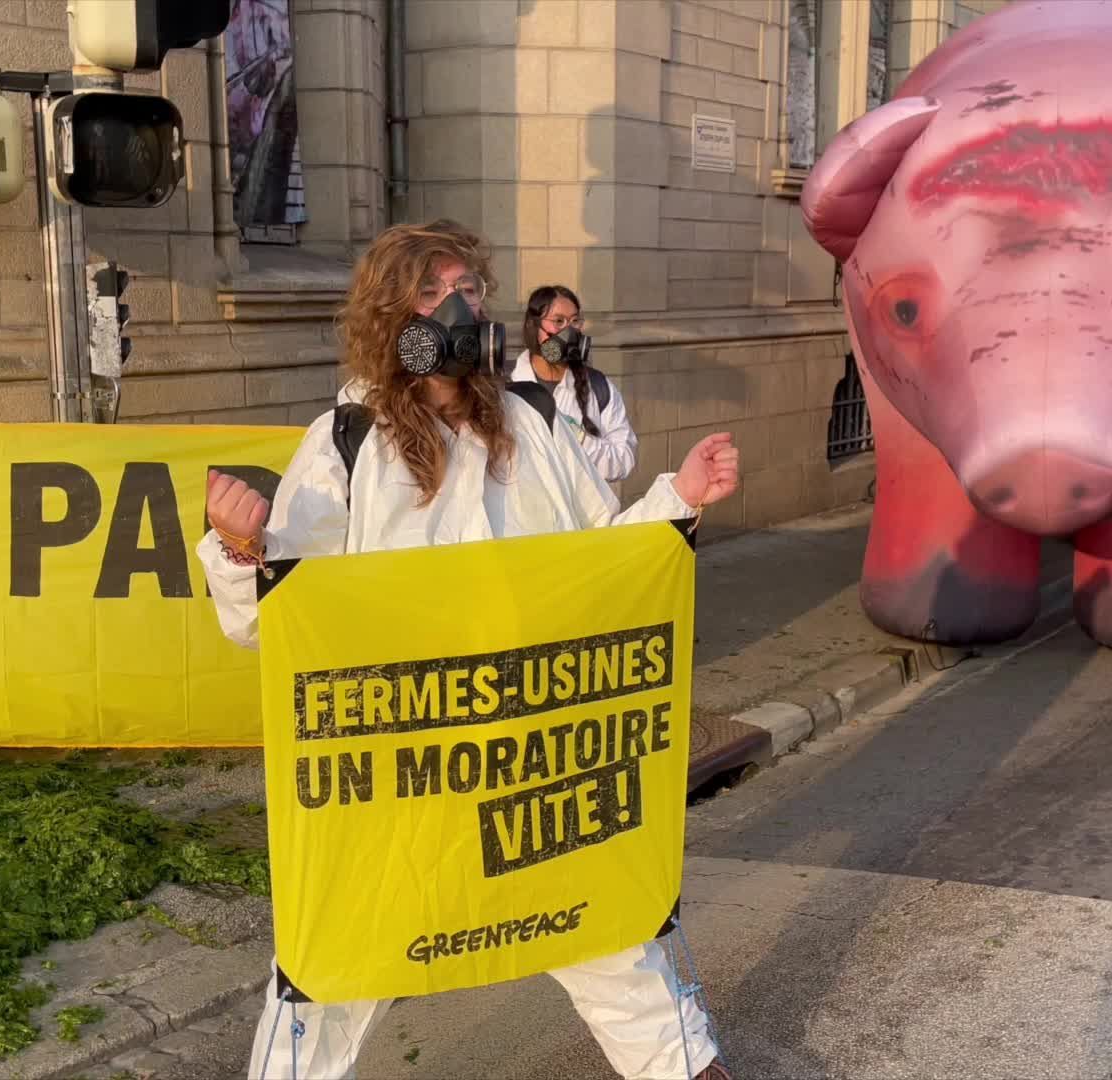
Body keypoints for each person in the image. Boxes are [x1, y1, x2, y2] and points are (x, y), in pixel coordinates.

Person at [198, 219, 738, 1080]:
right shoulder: (347, 444)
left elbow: (603, 562)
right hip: (401, 760)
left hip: (527, 753)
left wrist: (679, 498)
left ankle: (686, 1067)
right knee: (338, 955)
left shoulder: (531, 426)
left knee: (599, 924)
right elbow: (274, 617)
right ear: (391, 317)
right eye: (432, 291)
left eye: (470, 288)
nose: (460, 304)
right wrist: (243, 549)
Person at [511, 284, 639, 485]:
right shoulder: (505, 384)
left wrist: (578, 439)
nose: (568, 331)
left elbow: (625, 460)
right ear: (533, 325)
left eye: (574, 321)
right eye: (558, 321)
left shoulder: (599, 387)